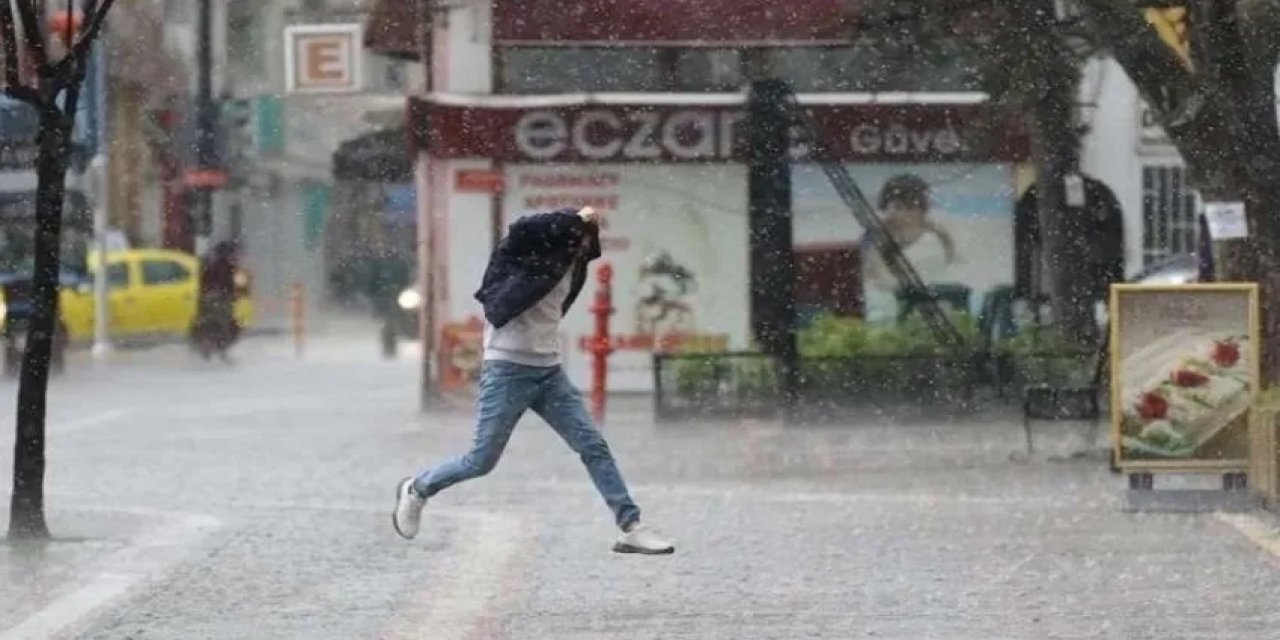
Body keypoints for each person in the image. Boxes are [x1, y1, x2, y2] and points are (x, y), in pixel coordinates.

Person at [392, 206, 675, 555]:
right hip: (508, 371)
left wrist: (582, 235)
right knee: (481, 461)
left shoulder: (574, 267)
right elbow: (522, 227)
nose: (581, 245)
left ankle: (630, 526)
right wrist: (575, 216)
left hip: (549, 372)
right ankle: (418, 489)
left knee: (592, 446)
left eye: (587, 240)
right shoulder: (521, 260)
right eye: (577, 237)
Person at [195, 241, 240, 356]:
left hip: (211, 297)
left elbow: (204, 281)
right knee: (224, 323)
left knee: (213, 322)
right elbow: (227, 283)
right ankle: (219, 350)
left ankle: (210, 349)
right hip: (219, 298)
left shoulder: (212, 263)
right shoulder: (224, 265)